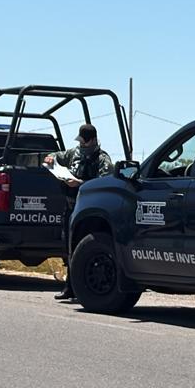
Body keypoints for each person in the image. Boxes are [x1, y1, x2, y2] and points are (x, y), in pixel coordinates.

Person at [45, 123, 114, 300]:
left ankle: (81, 289)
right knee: (68, 247)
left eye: (84, 141)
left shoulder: (102, 159)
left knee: (81, 248)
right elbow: (56, 156)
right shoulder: (74, 153)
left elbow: (104, 183)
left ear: (92, 140)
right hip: (69, 207)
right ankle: (69, 287)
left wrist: (80, 183)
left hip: (88, 212)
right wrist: (51, 158)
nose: (82, 144)